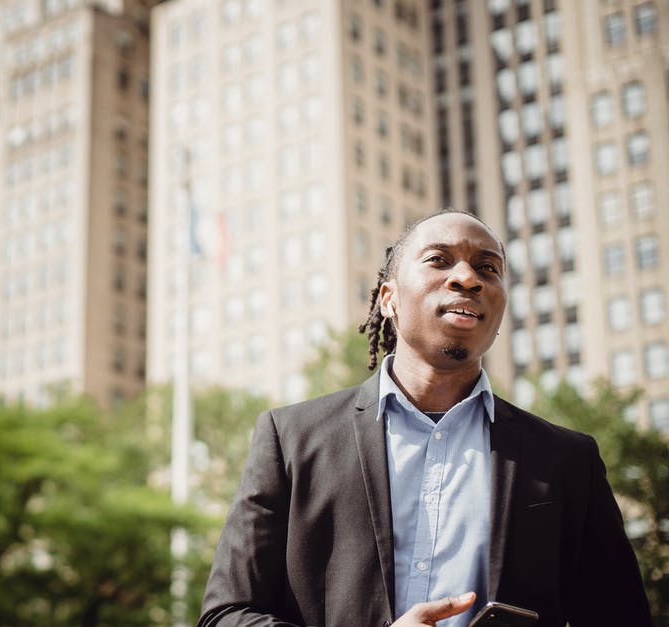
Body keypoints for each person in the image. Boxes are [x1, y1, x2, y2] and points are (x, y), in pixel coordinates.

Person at [198, 210, 651, 627]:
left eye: (488, 268)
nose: (468, 278)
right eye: (439, 260)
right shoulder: (290, 439)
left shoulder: (568, 459)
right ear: (389, 299)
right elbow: (227, 615)